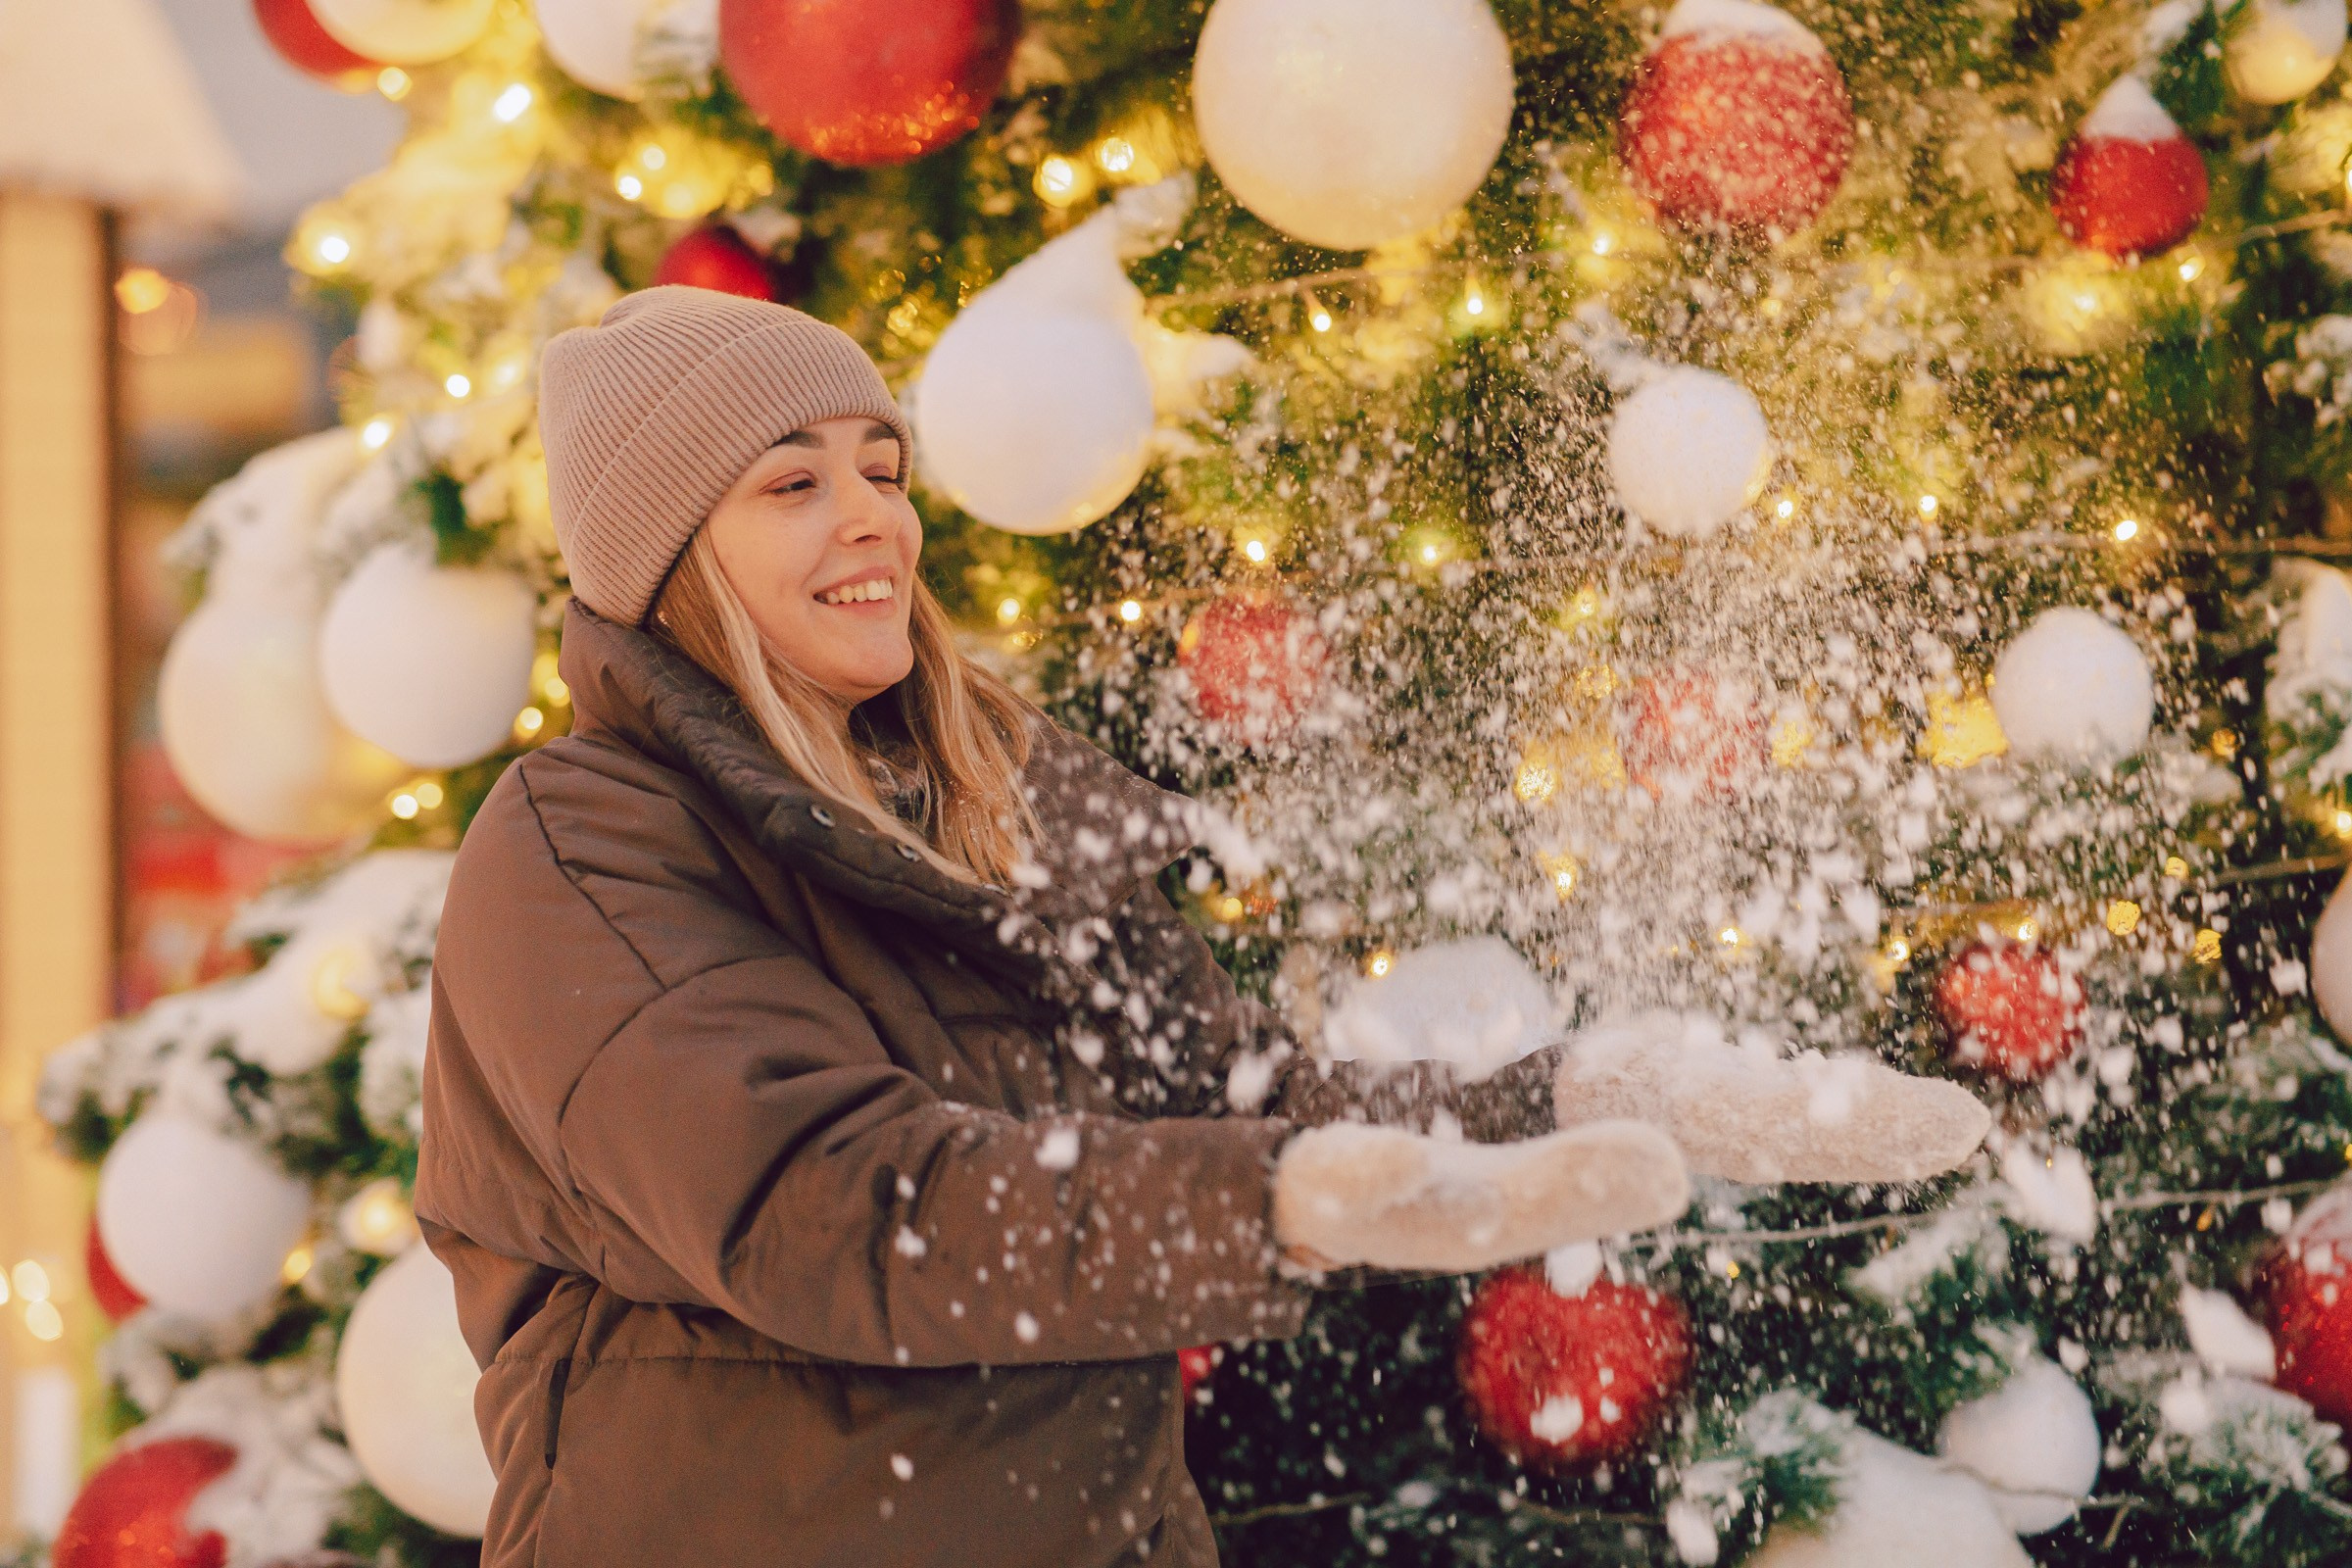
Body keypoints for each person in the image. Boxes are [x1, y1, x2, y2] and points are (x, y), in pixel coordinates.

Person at [416, 286, 1983, 1568]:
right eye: (792, 483)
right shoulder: (583, 843)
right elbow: (830, 1206)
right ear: (669, 556)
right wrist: (1277, 1204)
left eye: (882, 471)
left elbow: (1217, 1099)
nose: (874, 519)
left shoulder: (984, 798)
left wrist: (1577, 1093)